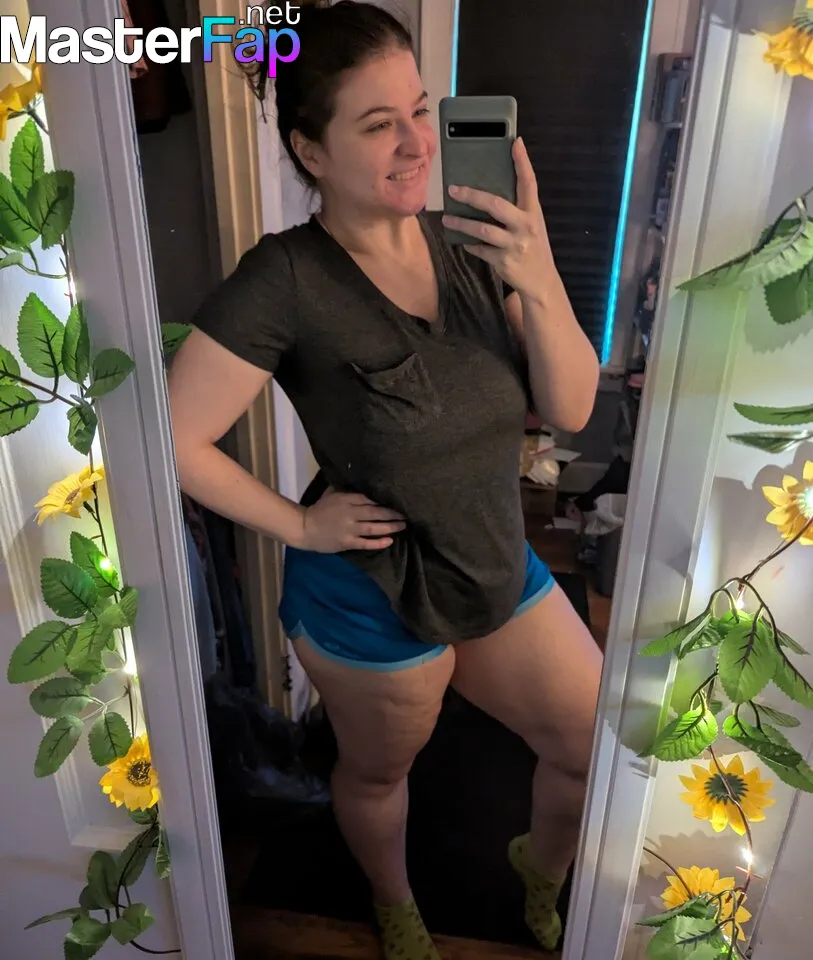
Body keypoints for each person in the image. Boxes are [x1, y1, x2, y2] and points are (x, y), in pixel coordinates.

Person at [167, 3, 602, 956]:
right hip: (371, 594)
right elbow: (175, 437)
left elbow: (569, 406)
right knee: (377, 776)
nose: (415, 144)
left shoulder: (474, 244)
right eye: (376, 124)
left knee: (587, 744)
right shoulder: (284, 279)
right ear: (310, 152)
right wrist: (300, 526)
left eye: (418, 110)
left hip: (492, 565)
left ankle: (540, 867)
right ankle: (394, 903)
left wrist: (535, 271)